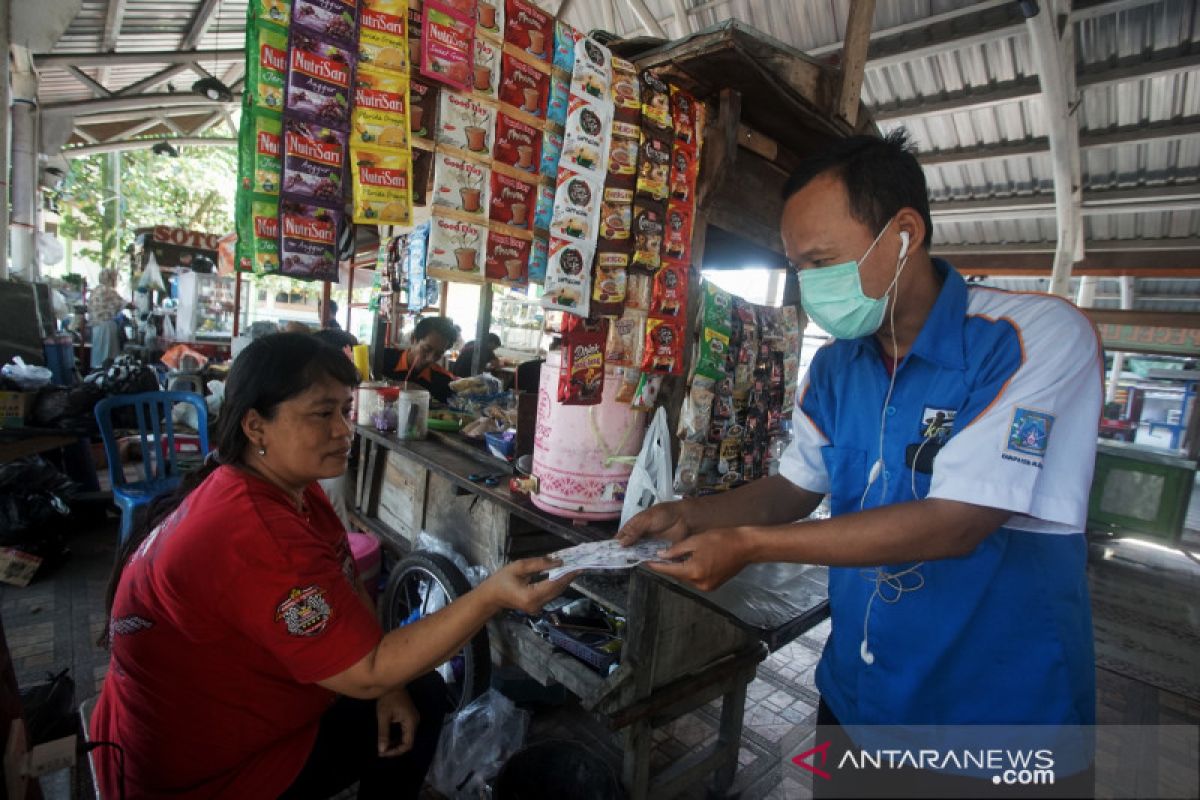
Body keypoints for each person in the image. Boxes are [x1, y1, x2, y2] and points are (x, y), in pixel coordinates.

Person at [619, 131, 1101, 792]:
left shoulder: (1032, 340)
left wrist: (749, 545)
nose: (809, 286)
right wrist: (691, 515)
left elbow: (956, 522)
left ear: (904, 233)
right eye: (797, 267)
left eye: (823, 262)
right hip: (858, 701)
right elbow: (792, 487)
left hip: (994, 718)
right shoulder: (838, 365)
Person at [90, 333, 574, 799]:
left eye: (345, 410)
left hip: (215, 722)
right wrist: (490, 595)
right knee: (414, 691)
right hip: (199, 773)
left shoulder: (289, 490)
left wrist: (385, 688)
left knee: (411, 691)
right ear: (255, 426)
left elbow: (347, 588)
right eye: (322, 414)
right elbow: (367, 670)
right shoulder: (256, 529)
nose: (345, 429)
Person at [390, 316, 459, 403]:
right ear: (413, 339)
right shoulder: (383, 360)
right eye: (426, 349)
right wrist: (391, 386)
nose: (430, 359)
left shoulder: (444, 381)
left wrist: (426, 396)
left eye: (439, 354)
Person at [88, 268, 126, 369]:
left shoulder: (96, 290)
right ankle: (105, 377)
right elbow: (123, 303)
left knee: (98, 355)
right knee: (107, 357)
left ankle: (96, 376)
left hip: (96, 327)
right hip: (106, 328)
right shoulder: (108, 290)